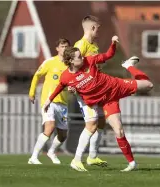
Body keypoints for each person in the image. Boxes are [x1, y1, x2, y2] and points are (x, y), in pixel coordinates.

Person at [44, 36, 153, 171]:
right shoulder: (66, 77)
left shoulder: (89, 60)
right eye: (79, 57)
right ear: (71, 61)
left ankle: (128, 66)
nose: (83, 58)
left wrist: (113, 43)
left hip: (116, 86)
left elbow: (108, 55)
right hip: (108, 101)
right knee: (118, 130)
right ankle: (132, 163)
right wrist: (49, 100)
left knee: (149, 85)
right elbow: (60, 86)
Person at [28, 38, 70, 164]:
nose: (65, 49)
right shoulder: (50, 62)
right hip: (49, 101)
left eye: (67, 46)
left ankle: (51, 151)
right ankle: (34, 157)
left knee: (63, 135)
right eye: (62, 46)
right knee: (50, 127)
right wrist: (32, 92)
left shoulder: (70, 65)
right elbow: (37, 75)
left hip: (63, 103)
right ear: (57, 48)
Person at [73, 15, 107, 167]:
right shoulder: (81, 45)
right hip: (86, 90)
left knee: (100, 121)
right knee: (91, 124)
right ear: (92, 28)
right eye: (98, 28)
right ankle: (77, 159)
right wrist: (73, 84)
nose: (99, 31)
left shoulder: (94, 46)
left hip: (97, 88)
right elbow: (72, 66)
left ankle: (92, 156)